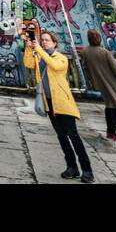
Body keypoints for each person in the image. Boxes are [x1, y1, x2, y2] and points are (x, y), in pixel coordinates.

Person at [23, 29, 93, 182]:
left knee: (73, 135)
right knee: (61, 136)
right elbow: (28, 63)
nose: (44, 42)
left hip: (63, 102)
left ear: (54, 43)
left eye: (47, 40)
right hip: (49, 103)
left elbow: (54, 66)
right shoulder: (40, 57)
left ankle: (87, 170)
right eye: (43, 40)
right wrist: (29, 48)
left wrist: (39, 50)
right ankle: (72, 167)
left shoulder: (60, 58)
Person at [80, 28, 116, 141]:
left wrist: (92, 81)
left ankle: (110, 131)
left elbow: (86, 68)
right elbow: (115, 69)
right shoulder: (105, 52)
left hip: (100, 82)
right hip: (112, 82)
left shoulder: (85, 52)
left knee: (109, 105)